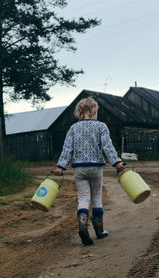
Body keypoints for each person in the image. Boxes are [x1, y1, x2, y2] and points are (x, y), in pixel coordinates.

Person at [52, 97, 125, 245]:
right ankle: (99, 231)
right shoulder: (101, 126)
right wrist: (116, 162)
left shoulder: (73, 128)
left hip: (79, 168)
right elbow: (107, 147)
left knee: (83, 198)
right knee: (96, 198)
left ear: (80, 112)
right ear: (94, 111)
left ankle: (83, 226)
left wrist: (60, 166)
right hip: (96, 168)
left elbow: (67, 149)